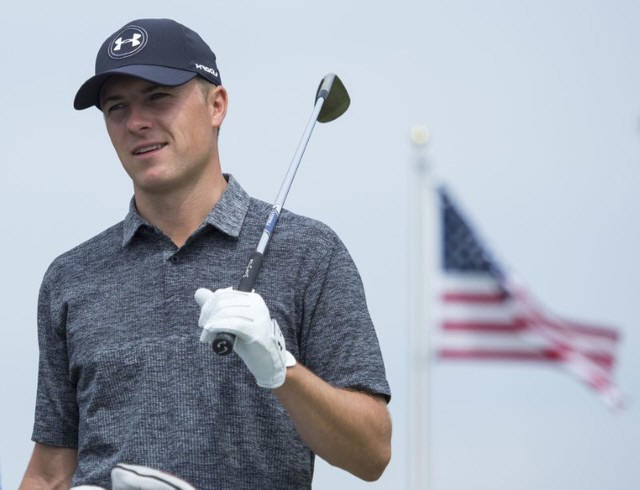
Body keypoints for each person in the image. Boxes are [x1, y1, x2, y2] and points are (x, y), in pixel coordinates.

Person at [20, 18, 391, 489]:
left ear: (217, 105)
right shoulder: (71, 277)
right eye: (117, 107)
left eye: (158, 97)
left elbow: (371, 452)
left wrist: (283, 369)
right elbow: (50, 470)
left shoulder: (308, 252)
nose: (136, 122)